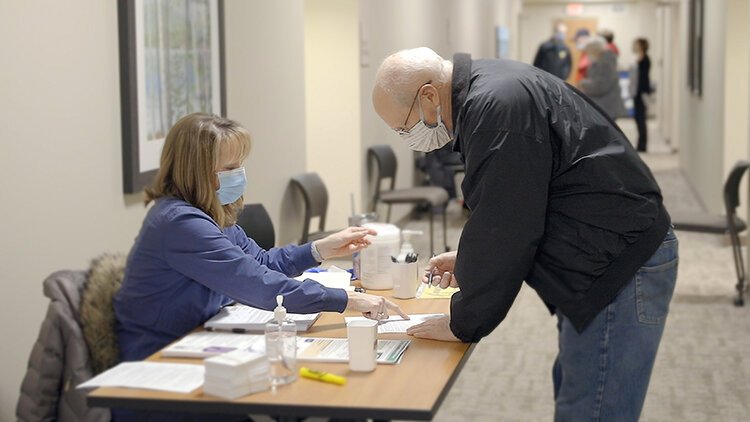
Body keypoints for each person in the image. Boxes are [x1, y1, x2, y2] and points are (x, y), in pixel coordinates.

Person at [372, 47, 677, 421]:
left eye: (405, 126)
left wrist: (461, 322)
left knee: (593, 408)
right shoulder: (490, 92)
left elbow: (506, 224)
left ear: (429, 96)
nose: (409, 137)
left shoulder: (498, 109)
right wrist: (470, 259)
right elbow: (511, 204)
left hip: (619, 262)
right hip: (600, 251)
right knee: (578, 391)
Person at [114, 113, 407, 420]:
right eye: (229, 168)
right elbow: (259, 284)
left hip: (199, 345)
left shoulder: (210, 215)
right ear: (198, 172)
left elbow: (263, 262)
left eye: (240, 164)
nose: (239, 174)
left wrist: (320, 249)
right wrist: (348, 300)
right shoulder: (180, 224)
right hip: (160, 369)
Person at [580, 36, 626, 119]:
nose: (587, 53)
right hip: (604, 106)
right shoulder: (599, 61)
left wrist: (583, 84)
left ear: (595, 50)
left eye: (589, 50)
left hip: (607, 107)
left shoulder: (606, 63)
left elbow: (601, 85)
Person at [631, 37, 653, 152]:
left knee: (641, 119)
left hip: (641, 93)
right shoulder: (640, 58)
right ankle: (640, 144)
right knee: (638, 119)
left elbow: (643, 79)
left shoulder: (645, 59)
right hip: (637, 93)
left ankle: (642, 145)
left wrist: (642, 93)